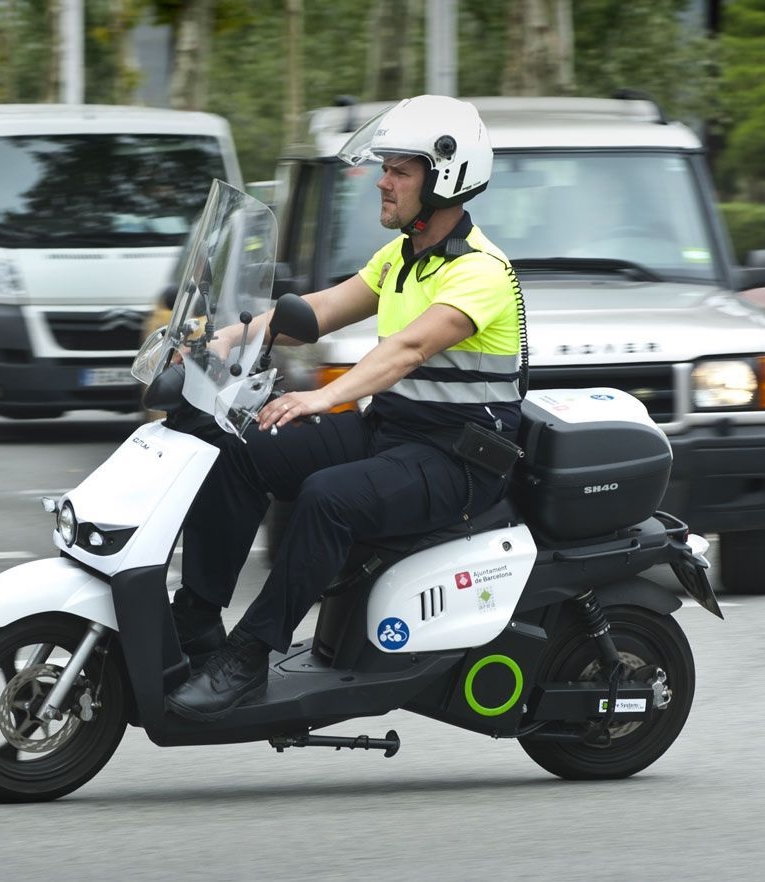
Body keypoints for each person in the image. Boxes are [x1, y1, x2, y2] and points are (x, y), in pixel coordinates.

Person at [165, 95, 527, 722]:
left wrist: (323, 397)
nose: (381, 182)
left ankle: (248, 658)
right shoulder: (402, 257)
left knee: (329, 498)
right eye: (384, 167)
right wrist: (223, 337)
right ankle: (196, 621)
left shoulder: (481, 273)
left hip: (457, 461)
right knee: (242, 448)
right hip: (392, 434)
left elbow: (410, 349)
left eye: (399, 171)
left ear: (445, 178)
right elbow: (321, 309)